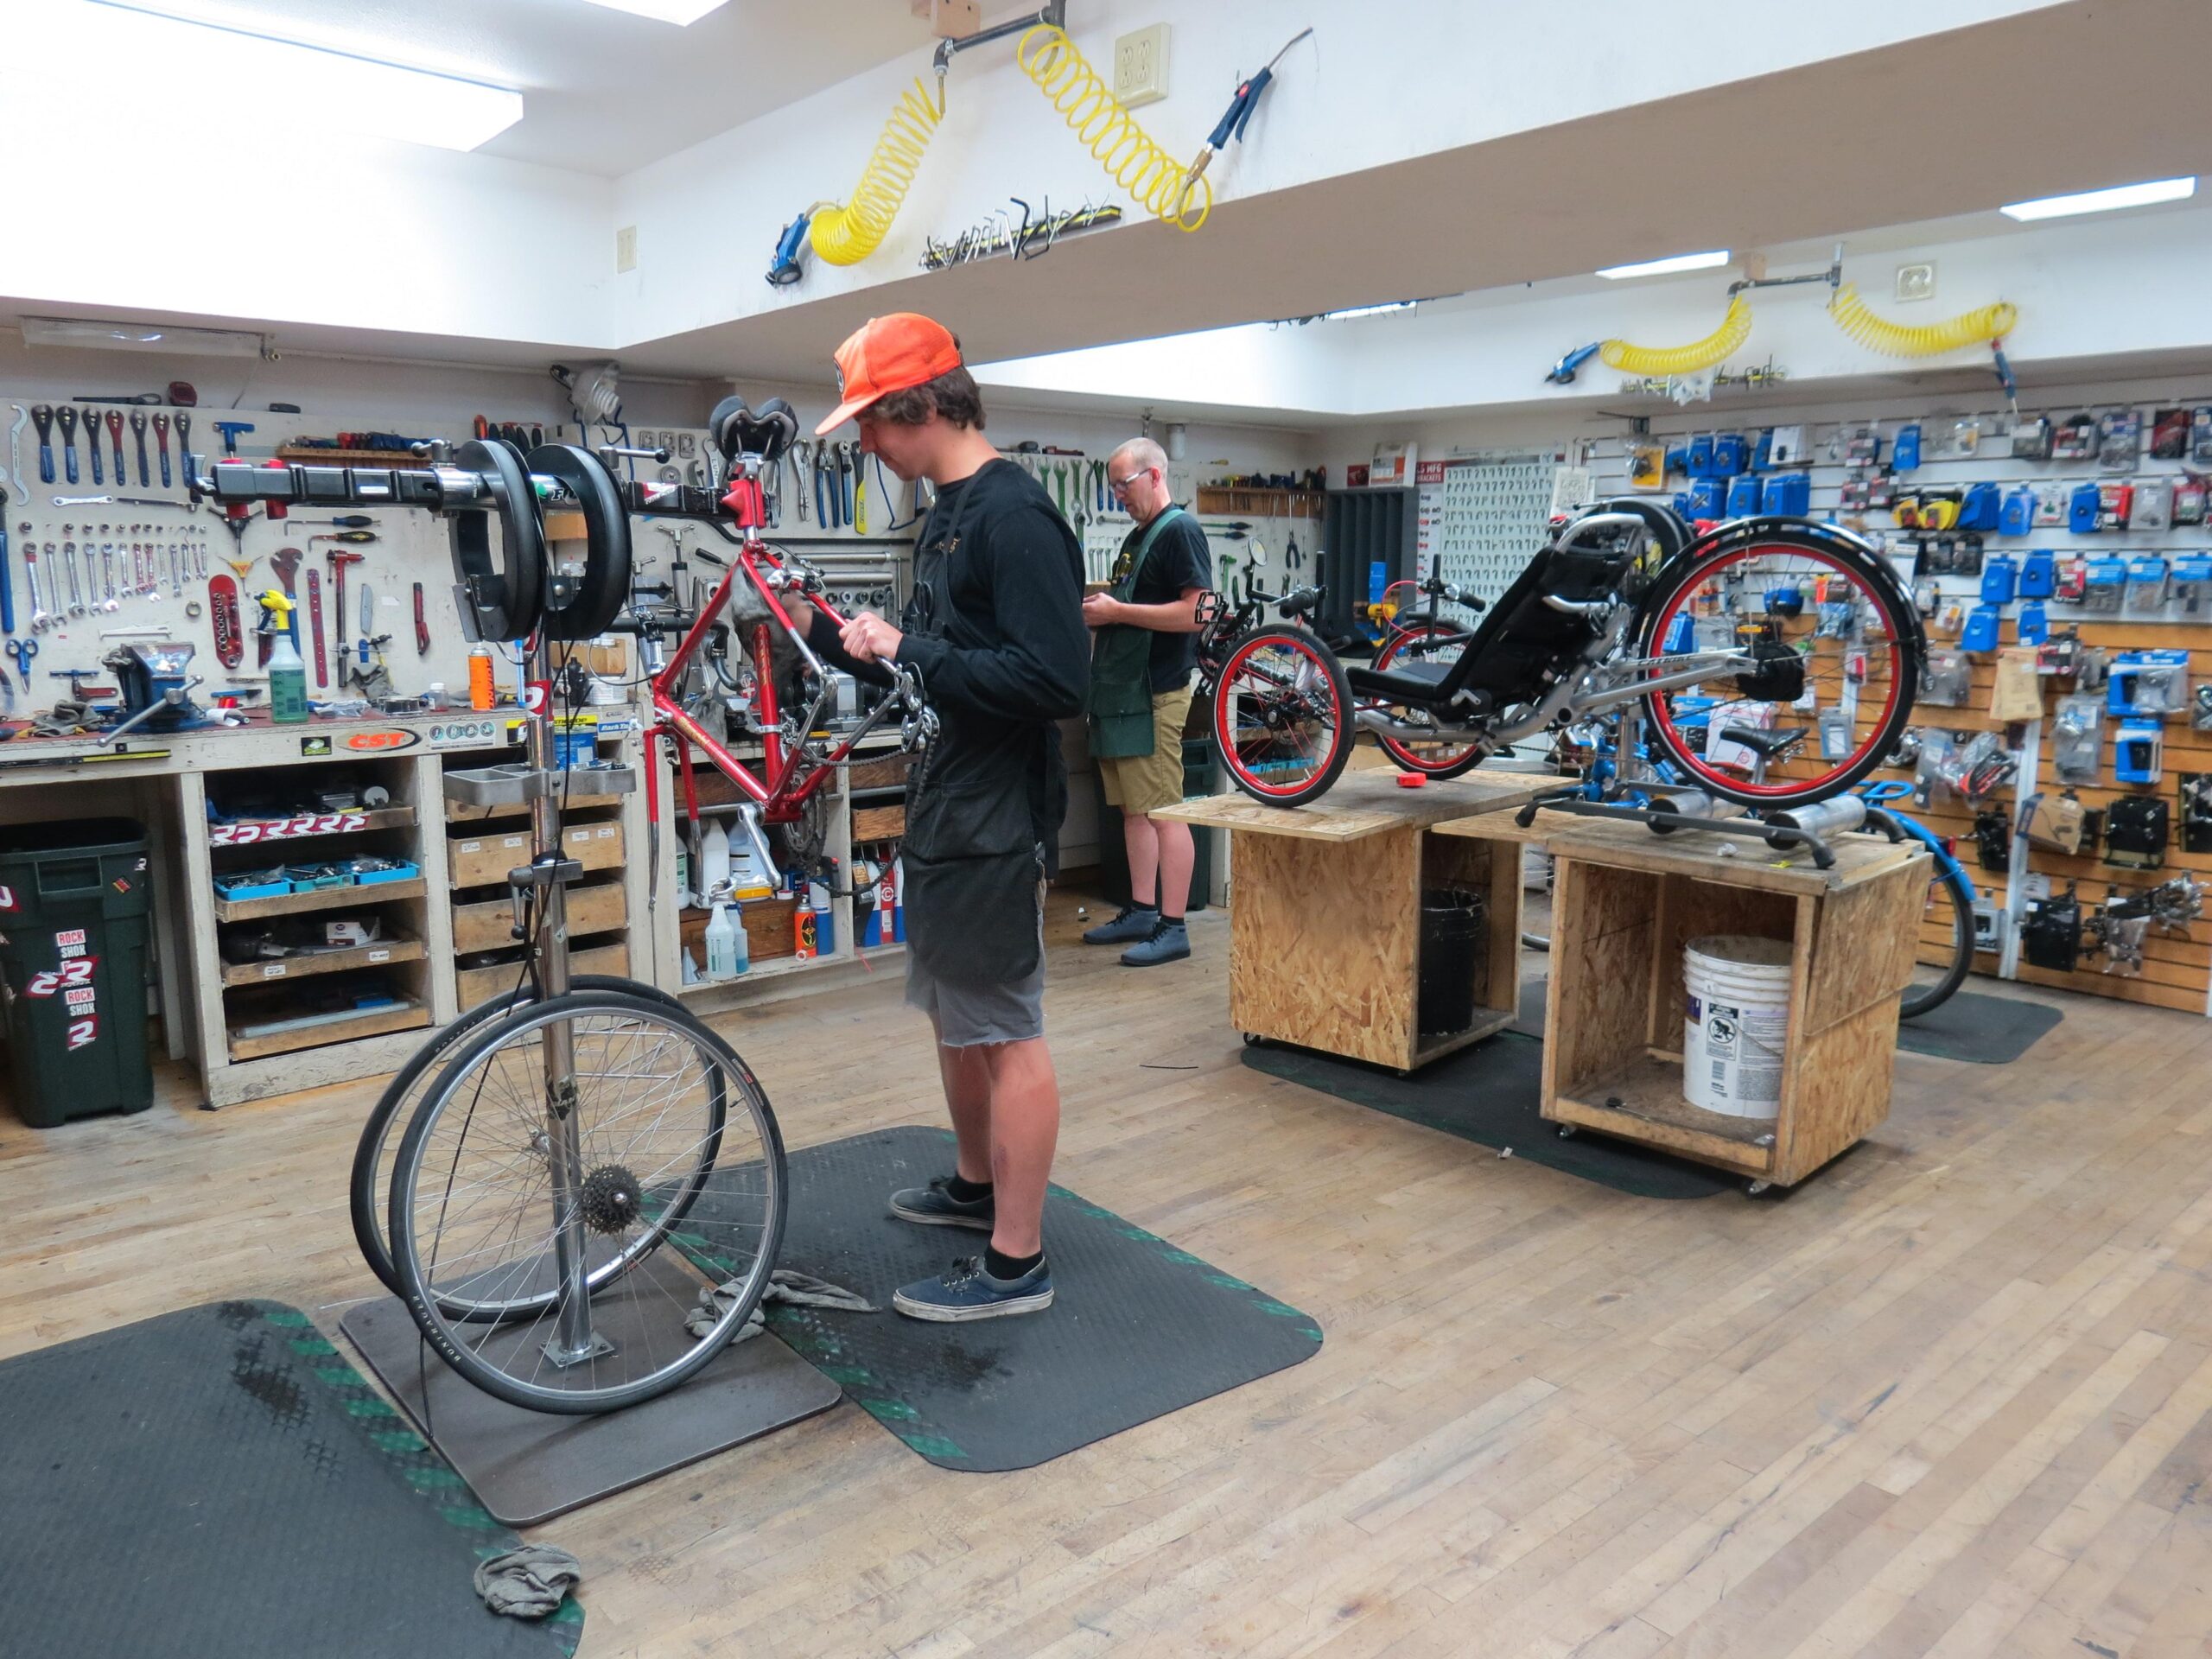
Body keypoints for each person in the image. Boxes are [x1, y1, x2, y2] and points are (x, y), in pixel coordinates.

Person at [806, 313, 1089, 1323]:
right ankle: (976, 1186)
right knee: (955, 1013)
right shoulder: (950, 511)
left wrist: (911, 651)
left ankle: (1017, 1265)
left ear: (919, 406)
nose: (869, 448)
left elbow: (1056, 679)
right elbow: (940, 652)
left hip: (993, 816)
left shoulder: (1013, 516)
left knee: (1004, 1026)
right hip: (946, 799)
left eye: (874, 428)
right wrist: (843, 638)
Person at [1079, 438, 1211, 966]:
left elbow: (1201, 612)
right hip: (1125, 694)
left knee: (1164, 811)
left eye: (1123, 485)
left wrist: (1118, 613)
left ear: (1154, 476)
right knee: (1135, 812)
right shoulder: (1141, 537)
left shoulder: (1181, 530)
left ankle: (1174, 926)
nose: (1118, 497)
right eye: (1111, 488)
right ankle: (1140, 910)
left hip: (1158, 693)